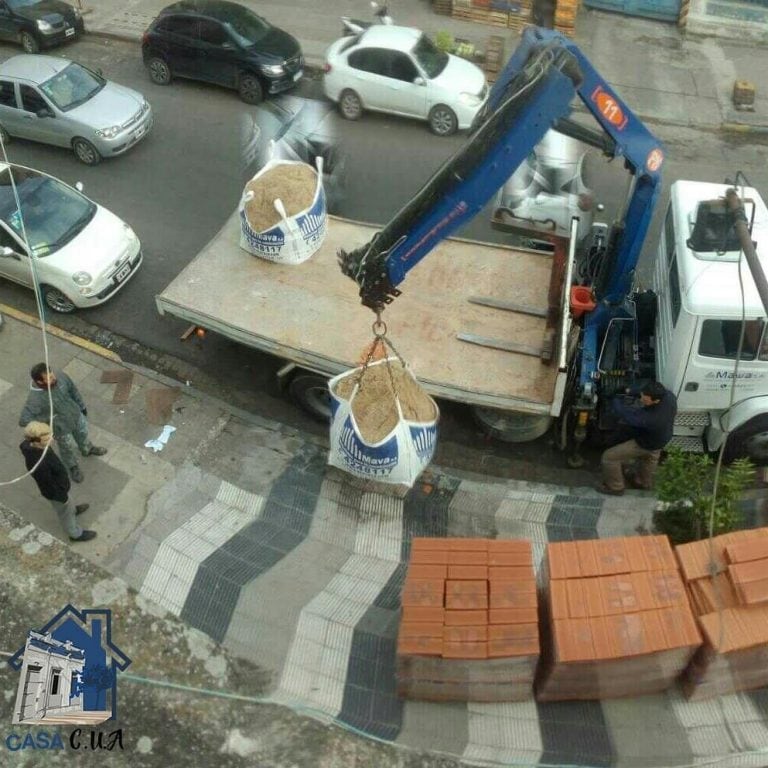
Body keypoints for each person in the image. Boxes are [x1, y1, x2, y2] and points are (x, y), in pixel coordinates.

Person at [19, 363, 106, 483]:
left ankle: (87, 449)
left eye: (52, 373)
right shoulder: (35, 399)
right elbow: (24, 420)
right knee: (67, 448)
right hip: (60, 428)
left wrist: (82, 406)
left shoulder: (61, 377)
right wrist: (44, 424)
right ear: (40, 382)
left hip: (75, 415)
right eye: (48, 378)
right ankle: (72, 466)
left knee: (83, 433)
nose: (53, 378)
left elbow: (73, 390)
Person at [19, 421, 96, 543]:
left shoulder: (37, 446)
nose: (53, 438)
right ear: (39, 441)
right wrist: (62, 497)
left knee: (68, 506)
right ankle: (75, 534)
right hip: (57, 493)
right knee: (65, 513)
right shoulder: (39, 463)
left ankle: (73, 510)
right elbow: (48, 485)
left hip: (60, 486)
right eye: (49, 437)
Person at [597, 381, 677, 496]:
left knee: (609, 457)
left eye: (645, 399)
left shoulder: (650, 418)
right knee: (650, 459)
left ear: (655, 400)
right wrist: (628, 390)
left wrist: (614, 400)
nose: (641, 399)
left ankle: (615, 487)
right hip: (663, 438)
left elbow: (627, 416)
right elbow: (642, 390)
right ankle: (642, 482)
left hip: (645, 443)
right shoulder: (669, 397)